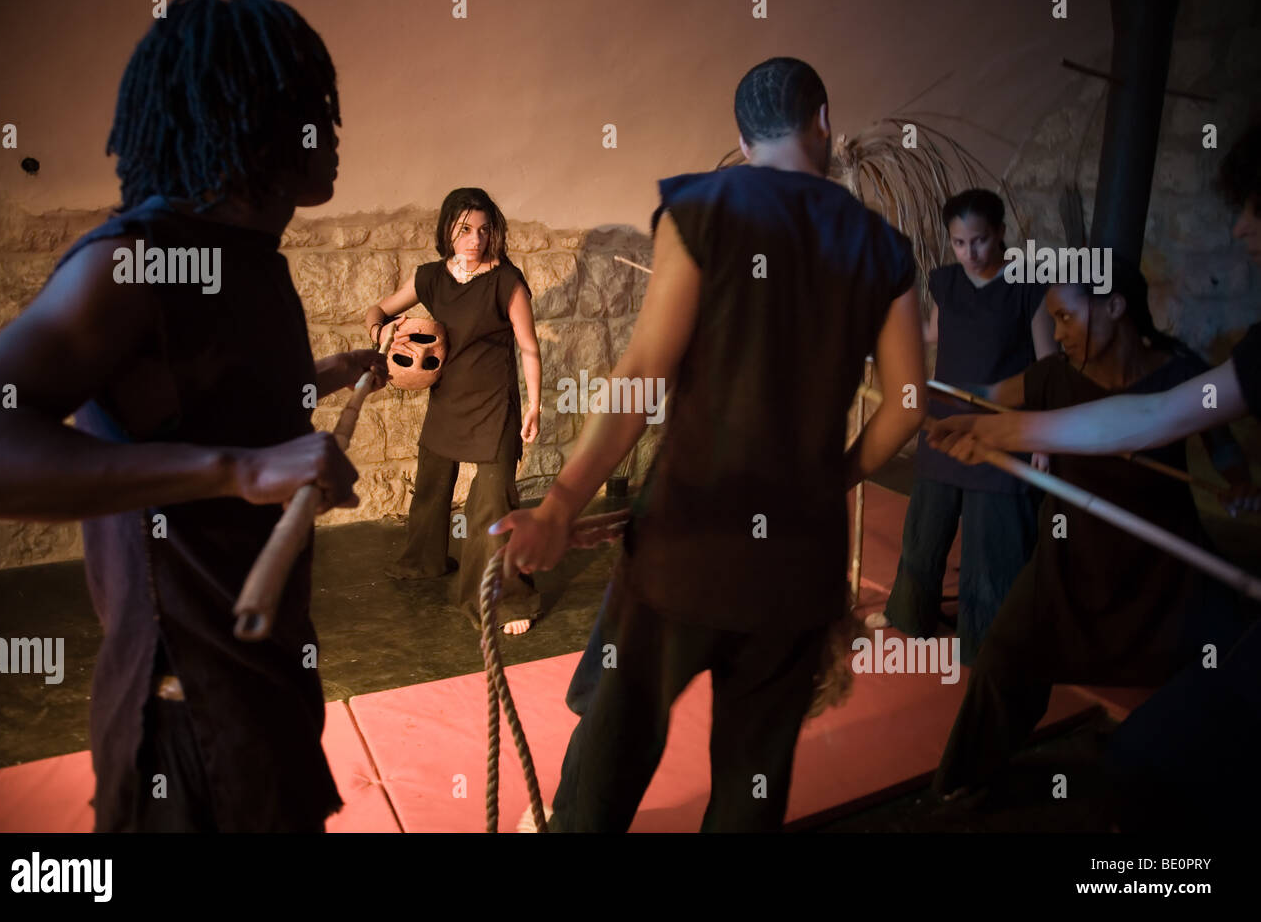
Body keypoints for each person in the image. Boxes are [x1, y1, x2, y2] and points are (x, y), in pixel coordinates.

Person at [0, 0, 388, 832]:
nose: (331, 133)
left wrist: (318, 380)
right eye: (309, 110)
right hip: (190, 727)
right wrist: (238, 469)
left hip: (258, 686)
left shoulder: (247, 258)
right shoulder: (135, 260)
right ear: (246, 118)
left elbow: (197, 408)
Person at [492, 57, 926, 831]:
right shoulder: (880, 245)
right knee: (751, 786)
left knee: (614, 758)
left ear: (740, 136)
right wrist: (835, 477)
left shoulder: (705, 206)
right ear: (823, 120)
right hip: (799, 563)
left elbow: (645, 372)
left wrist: (561, 502)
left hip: (686, 547)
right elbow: (907, 405)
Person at [926, 121, 1261, 826]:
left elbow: (1210, 438)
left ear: (1114, 306)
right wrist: (934, 402)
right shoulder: (1054, 375)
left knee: (1214, 674)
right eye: (1051, 317)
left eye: (1067, 315)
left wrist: (1236, 481)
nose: (1060, 331)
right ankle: (958, 787)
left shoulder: (1182, 374)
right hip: (1067, 566)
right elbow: (985, 397)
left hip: (1160, 571)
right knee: (1002, 663)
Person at [869, 190, 1056, 664]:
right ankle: (909, 613)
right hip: (944, 418)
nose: (969, 254)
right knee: (925, 527)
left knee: (992, 543)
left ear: (1000, 235)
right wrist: (873, 339)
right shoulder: (947, 283)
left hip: (999, 430)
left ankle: (986, 643)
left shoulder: (1027, 284)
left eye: (979, 241)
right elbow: (935, 332)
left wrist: (1042, 436)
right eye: (959, 243)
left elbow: (1046, 368)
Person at [364, 189, 542, 635]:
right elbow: (379, 309)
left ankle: (503, 599)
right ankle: (423, 562)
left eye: (483, 230)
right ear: (447, 229)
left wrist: (536, 403)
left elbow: (528, 347)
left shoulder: (507, 280)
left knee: (492, 503)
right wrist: (380, 332)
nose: (475, 239)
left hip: (494, 403)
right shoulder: (431, 277)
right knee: (431, 487)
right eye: (465, 229)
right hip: (446, 399)